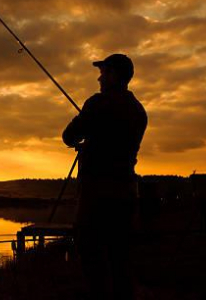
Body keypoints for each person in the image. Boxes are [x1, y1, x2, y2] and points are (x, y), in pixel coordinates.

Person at [62, 53, 147, 300]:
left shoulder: (97, 103)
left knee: (92, 257)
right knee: (120, 258)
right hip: (127, 193)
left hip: (96, 195)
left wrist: (85, 139)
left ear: (114, 75)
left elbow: (69, 136)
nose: (99, 78)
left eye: (103, 72)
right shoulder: (139, 111)